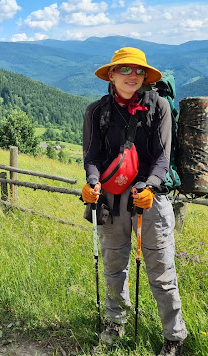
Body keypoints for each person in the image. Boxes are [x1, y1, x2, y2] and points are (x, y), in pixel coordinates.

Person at [82, 47, 187, 355]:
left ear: (146, 76)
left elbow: (163, 157)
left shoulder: (159, 107)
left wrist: (151, 187)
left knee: (161, 270)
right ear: (111, 75)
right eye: (125, 70)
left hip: (150, 200)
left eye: (139, 71)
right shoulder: (96, 111)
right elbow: (92, 156)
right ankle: (116, 322)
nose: (133, 76)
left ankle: (175, 337)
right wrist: (91, 183)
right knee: (114, 264)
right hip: (110, 201)